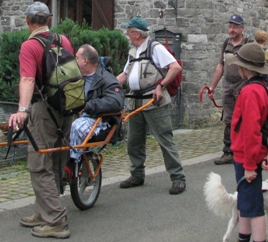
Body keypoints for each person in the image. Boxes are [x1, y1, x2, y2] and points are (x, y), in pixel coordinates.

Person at [8, 2, 73, 239]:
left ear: (28, 21)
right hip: (66, 108)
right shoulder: (63, 40)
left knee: (39, 163)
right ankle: (44, 211)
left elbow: (28, 80)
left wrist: (22, 110)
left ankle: (55, 220)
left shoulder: (29, 45)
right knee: (56, 158)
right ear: (49, 19)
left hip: (44, 110)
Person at [217, 43, 268, 242]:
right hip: (246, 155)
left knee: (253, 206)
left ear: (244, 68)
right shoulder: (260, 87)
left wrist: (251, 164)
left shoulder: (251, 91)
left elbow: (251, 130)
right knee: (245, 203)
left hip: (247, 157)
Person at [116, 16, 186, 195]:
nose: (127, 34)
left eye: (129, 31)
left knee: (164, 140)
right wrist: (110, 85)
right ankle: (137, 174)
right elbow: (124, 75)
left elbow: (175, 68)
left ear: (137, 33)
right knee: (134, 141)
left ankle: (178, 178)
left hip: (154, 101)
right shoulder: (133, 51)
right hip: (135, 101)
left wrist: (161, 86)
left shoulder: (155, 47)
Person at [68, 44, 124, 166]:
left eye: (76, 57)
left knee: (76, 126)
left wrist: (88, 106)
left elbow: (116, 102)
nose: (74, 60)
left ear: (85, 61)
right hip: (78, 116)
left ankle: (72, 163)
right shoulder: (75, 78)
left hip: (99, 120)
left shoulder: (106, 78)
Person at [206, 14, 250, 165]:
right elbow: (221, 66)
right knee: (229, 118)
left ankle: (244, 149)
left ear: (242, 28)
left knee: (244, 118)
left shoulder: (248, 43)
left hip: (243, 85)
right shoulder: (226, 43)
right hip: (228, 85)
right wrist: (212, 86)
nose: (231, 30)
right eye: (230, 26)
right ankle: (228, 151)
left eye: (235, 27)